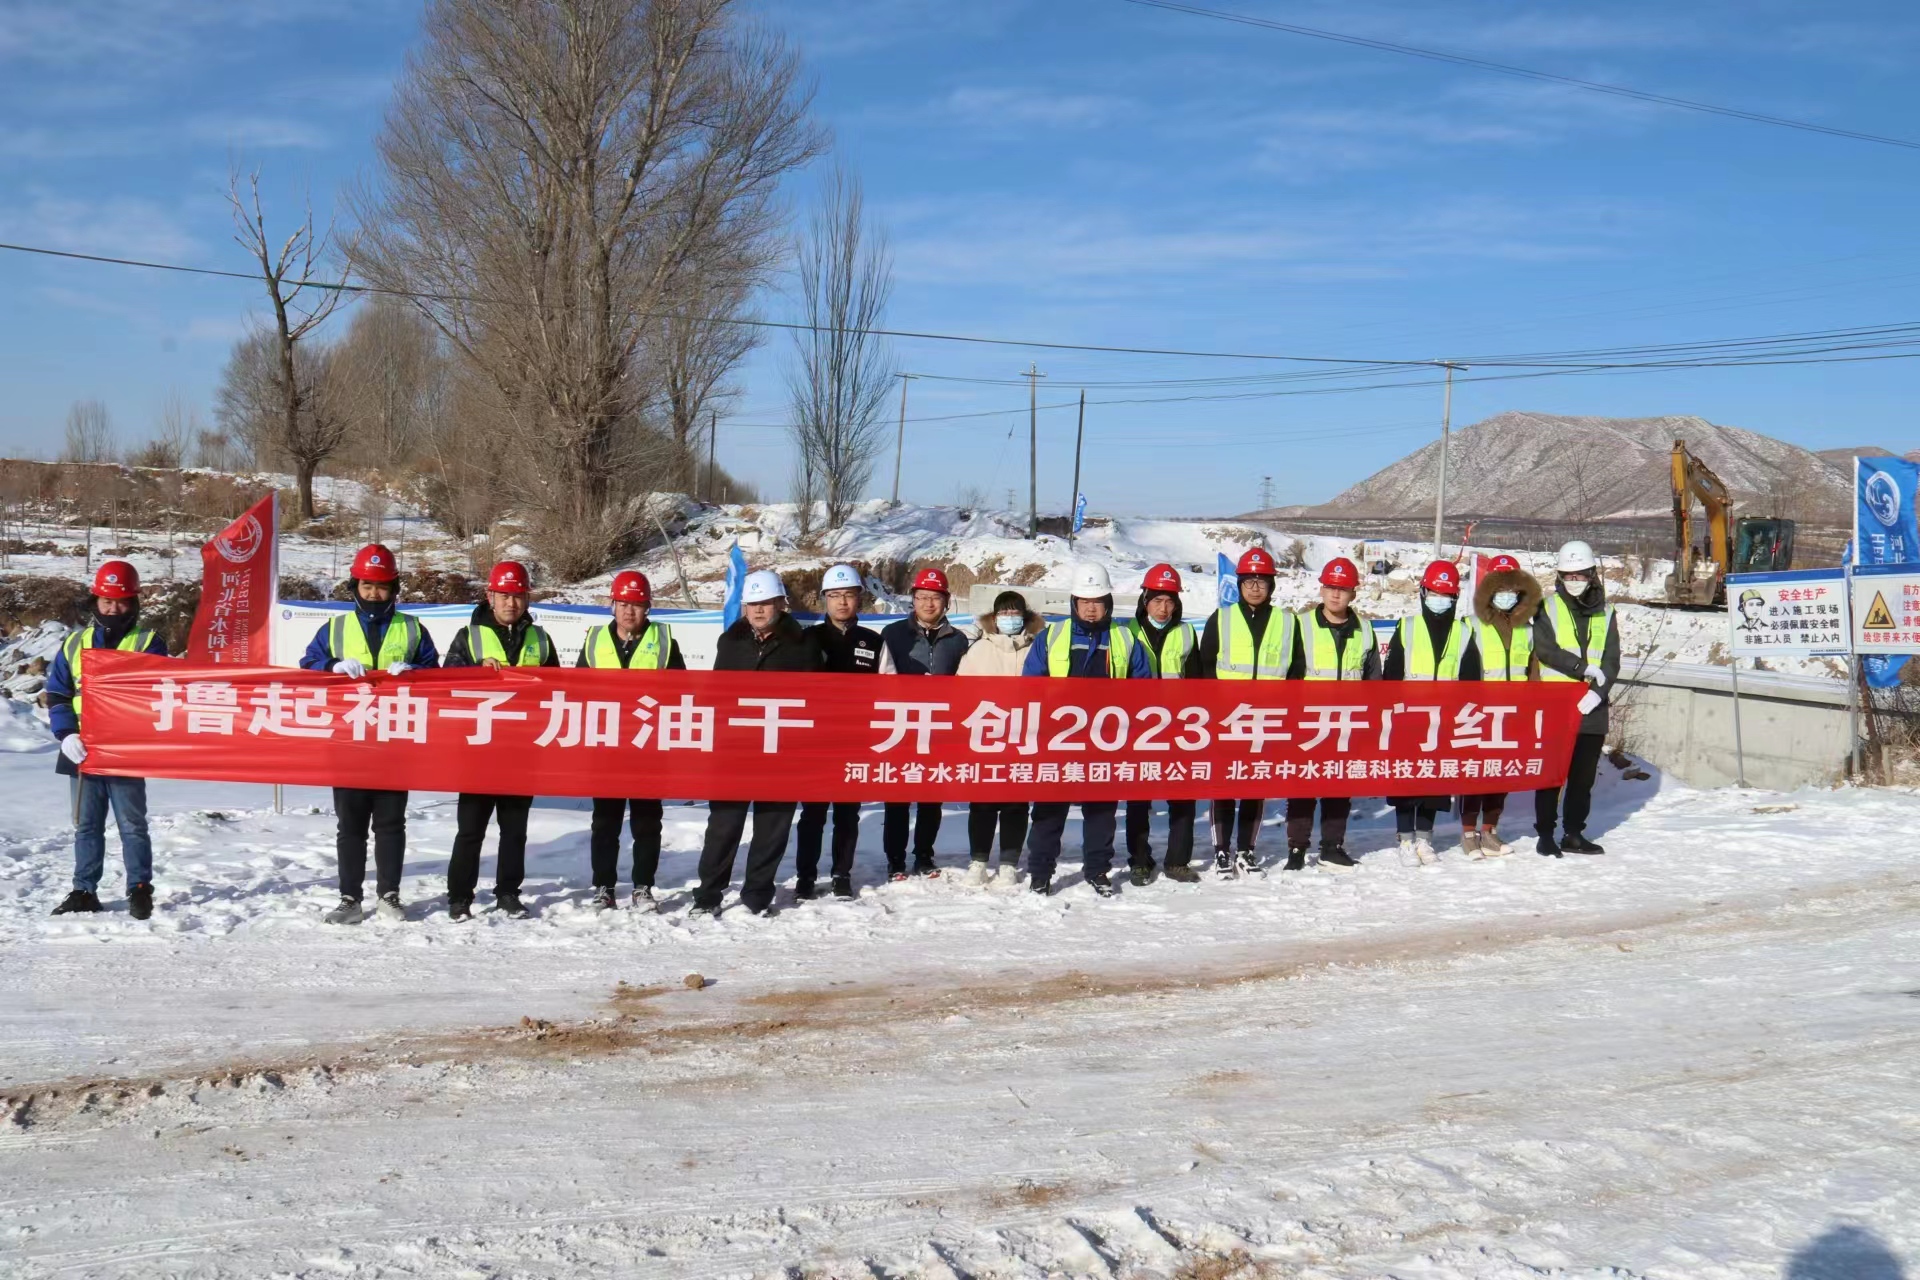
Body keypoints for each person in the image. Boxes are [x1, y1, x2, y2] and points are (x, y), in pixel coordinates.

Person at [299, 542, 440, 924]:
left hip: (394, 740)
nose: (374, 594)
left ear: (393, 589)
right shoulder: (335, 627)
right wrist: (331, 664)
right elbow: (307, 665)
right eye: (366, 586)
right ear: (354, 587)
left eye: (381, 587)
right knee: (351, 826)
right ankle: (349, 898)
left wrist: (413, 669)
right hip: (349, 740)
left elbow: (435, 670)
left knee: (392, 824)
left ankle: (389, 894)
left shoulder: (411, 627)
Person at [45, 560, 172, 918]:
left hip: (126, 750)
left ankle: (140, 888)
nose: (113, 608)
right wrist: (65, 733)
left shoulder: (149, 643)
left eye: (121, 602)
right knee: (86, 825)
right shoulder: (74, 643)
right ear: (95, 601)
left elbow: (161, 694)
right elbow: (57, 694)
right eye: (106, 601)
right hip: (80, 749)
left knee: (132, 823)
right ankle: (84, 890)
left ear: (133, 603)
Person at [693, 569, 820, 916]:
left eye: (766, 603)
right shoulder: (730, 641)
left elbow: (816, 699)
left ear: (781, 603)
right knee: (723, 827)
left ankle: (756, 896)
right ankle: (707, 896)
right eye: (753, 604)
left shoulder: (804, 644)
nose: (760, 610)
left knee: (772, 828)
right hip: (735, 751)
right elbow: (718, 695)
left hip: (782, 752)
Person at [1021, 563, 1151, 897]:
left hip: (1106, 741)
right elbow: (1030, 685)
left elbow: (1142, 688)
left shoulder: (1124, 638)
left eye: (1097, 601)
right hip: (1058, 740)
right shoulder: (1054, 635)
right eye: (1084, 601)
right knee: (1049, 810)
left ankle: (1097, 870)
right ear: (1073, 603)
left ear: (1107, 602)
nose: (1091, 608)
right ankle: (1040, 872)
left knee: (1102, 811)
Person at [439, 560, 558, 921]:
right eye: (504, 595)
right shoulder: (469, 636)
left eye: (518, 596)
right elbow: (445, 684)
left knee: (514, 832)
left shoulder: (540, 639)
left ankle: (508, 893)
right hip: (478, 750)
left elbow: (558, 689)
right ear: (490, 596)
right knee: (470, 831)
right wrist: (475, 673)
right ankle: (460, 897)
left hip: (521, 751)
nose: (511, 603)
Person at [578, 570, 687, 911]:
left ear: (648, 608)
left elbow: (681, 692)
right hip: (607, 746)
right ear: (612, 606)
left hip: (648, 747)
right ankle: (604, 887)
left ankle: (643, 887)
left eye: (637, 604)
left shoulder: (665, 641)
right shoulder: (594, 640)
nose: (629, 611)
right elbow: (577, 690)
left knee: (647, 822)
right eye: (623, 603)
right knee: (605, 823)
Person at [1196, 546, 1291, 876]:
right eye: (1248, 580)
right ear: (1238, 584)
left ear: (1271, 586)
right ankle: (1222, 850)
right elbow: (1204, 666)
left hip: (1266, 721)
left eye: (1261, 581)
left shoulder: (1286, 622)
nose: (1254, 587)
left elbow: (1295, 672)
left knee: (1254, 788)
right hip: (1227, 719)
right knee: (1223, 786)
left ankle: (1246, 850)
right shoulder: (1221, 618)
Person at [1282, 556, 1378, 869]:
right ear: (1321, 590)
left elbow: (1372, 679)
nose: (1336, 594)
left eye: (1343, 588)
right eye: (1330, 587)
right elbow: (1291, 674)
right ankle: (1297, 848)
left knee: (1339, 787)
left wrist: (1369, 719)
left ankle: (1332, 846)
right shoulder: (1302, 625)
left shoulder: (1365, 630)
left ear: (1354, 593)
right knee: (1303, 786)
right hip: (1309, 721)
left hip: (1348, 721)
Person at [877, 567, 968, 880]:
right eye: (922, 597)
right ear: (912, 600)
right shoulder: (892, 634)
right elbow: (880, 679)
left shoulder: (958, 640)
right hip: (901, 727)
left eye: (935, 598)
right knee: (897, 799)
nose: (929, 604)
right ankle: (895, 860)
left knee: (931, 799)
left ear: (946, 601)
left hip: (938, 729)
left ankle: (925, 856)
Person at [797, 563, 880, 901]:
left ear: (859, 599)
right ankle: (805, 876)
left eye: (849, 595)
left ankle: (841, 874)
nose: (842, 602)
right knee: (813, 814)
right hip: (815, 743)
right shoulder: (807, 640)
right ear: (824, 600)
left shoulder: (873, 642)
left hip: (855, 742)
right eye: (835, 596)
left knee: (847, 814)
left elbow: (890, 692)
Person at [1533, 540, 1620, 857]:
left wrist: (1598, 693)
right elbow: (1546, 650)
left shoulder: (1607, 613)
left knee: (1582, 778)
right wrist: (1582, 669)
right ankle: (1545, 833)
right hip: (1558, 705)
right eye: (1568, 576)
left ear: (1591, 574)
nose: (1574, 581)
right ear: (1559, 576)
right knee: (1552, 774)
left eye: (1579, 575)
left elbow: (1612, 660)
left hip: (1592, 709)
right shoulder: (1547, 608)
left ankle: (1573, 833)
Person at [1381, 559, 1470, 865]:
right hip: (1408, 718)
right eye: (1434, 592)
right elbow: (1391, 675)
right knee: (1406, 779)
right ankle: (1405, 839)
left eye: (1446, 595)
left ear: (1455, 598)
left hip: (1443, 721)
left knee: (1434, 780)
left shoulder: (1463, 633)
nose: (1439, 599)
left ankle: (1425, 839)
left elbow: (1471, 681)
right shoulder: (1406, 628)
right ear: (1423, 592)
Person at [1459, 553, 1540, 857]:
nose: (1505, 594)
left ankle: (1490, 831)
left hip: (1512, 716)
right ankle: (1468, 833)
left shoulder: (1528, 630)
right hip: (1478, 716)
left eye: (1511, 588)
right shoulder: (1471, 626)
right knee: (1475, 774)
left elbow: (1534, 673)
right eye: (1499, 587)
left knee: (1501, 774)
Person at [956, 588, 1038, 887]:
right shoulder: (979, 649)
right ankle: (978, 860)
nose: (1009, 618)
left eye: (1015, 612)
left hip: (1024, 736)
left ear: (1024, 616)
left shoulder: (1037, 647)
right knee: (983, 802)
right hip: (987, 736)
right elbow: (960, 690)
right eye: (1003, 612)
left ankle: (1008, 862)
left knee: (1016, 802)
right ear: (994, 617)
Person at [1126, 564, 1201, 885]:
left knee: (1182, 796)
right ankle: (1140, 860)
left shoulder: (1186, 632)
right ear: (1145, 600)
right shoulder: (1126, 632)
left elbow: (1197, 681)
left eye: (1169, 601)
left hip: (1178, 728)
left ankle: (1177, 861)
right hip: (1139, 728)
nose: (1163, 607)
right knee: (1138, 799)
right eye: (1157, 600)